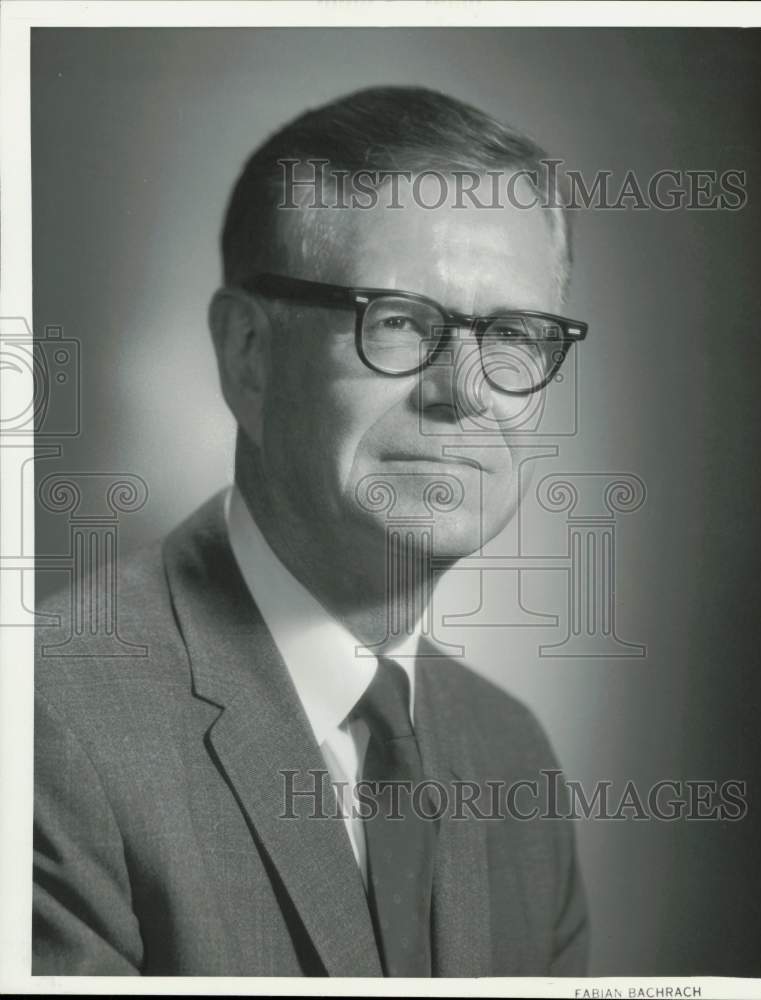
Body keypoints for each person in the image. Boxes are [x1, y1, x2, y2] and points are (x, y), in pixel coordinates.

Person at [33, 86, 590, 977]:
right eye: (401, 322)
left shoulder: (513, 754)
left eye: (515, 334)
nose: (467, 393)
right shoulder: (42, 728)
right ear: (248, 356)